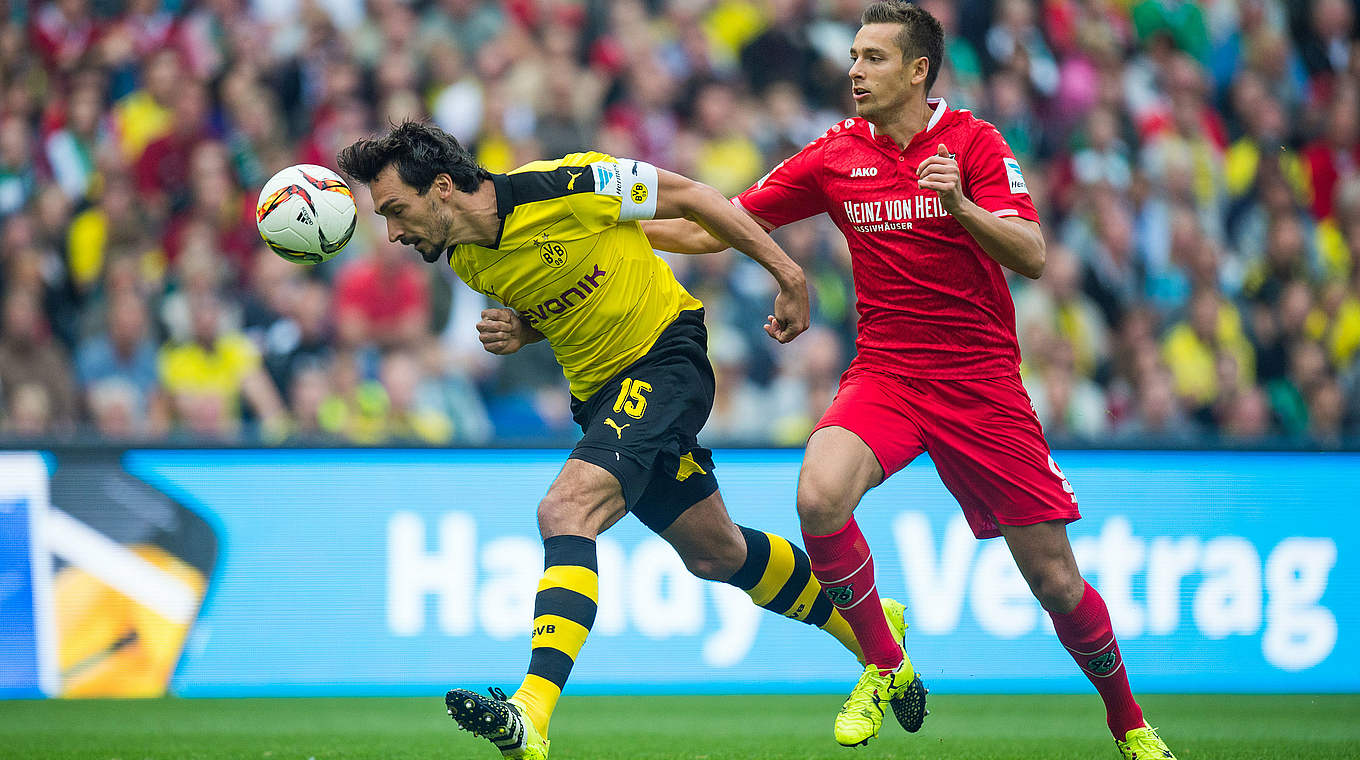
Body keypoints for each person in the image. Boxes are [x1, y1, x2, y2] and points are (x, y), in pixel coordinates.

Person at [643, 3, 1177, 758]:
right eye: (854, 56)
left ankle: (1129, 723)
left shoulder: (976, 143)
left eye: (874, 58)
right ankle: (884, 663)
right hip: (888, 372)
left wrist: (958, 203)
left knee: (1056, 582)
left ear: (918, 70)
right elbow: (716, 224)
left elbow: (1030, 253)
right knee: (818, 496)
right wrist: (614, 226)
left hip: (981, 383)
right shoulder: (834, 154)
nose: (854, 70)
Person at [336, 120, 926, 760]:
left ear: (442, 188)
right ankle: (873, 634)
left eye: (396, 210)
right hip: (600, 400)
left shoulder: (567, 185)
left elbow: (698, 200)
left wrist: (789, 276)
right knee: (716, 553)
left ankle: (530, 710)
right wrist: (526, 332)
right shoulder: (468, 259)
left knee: (565, 510)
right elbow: (570, 294)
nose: (393, 233)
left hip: (664, 362)